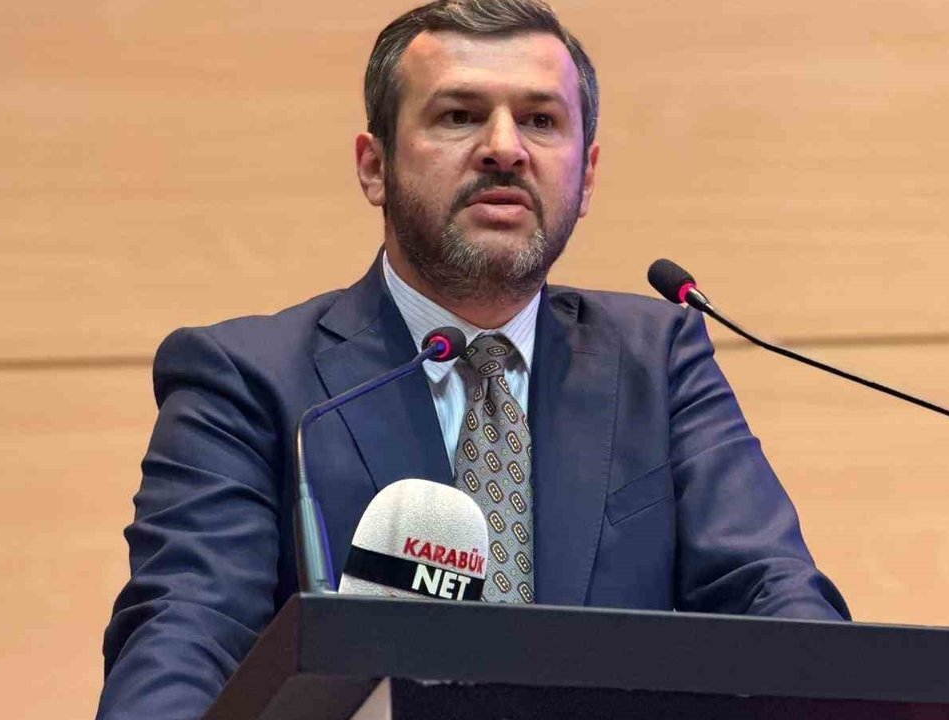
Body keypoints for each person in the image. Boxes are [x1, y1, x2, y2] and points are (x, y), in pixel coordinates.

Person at [97, 1, 848, 717]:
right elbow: (187, 632)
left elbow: (771, 595)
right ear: (375, 166)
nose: (504, 147)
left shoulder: (659, 359)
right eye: (459, 115)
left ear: (586, 176)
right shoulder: (249, 382)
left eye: (540, 120)